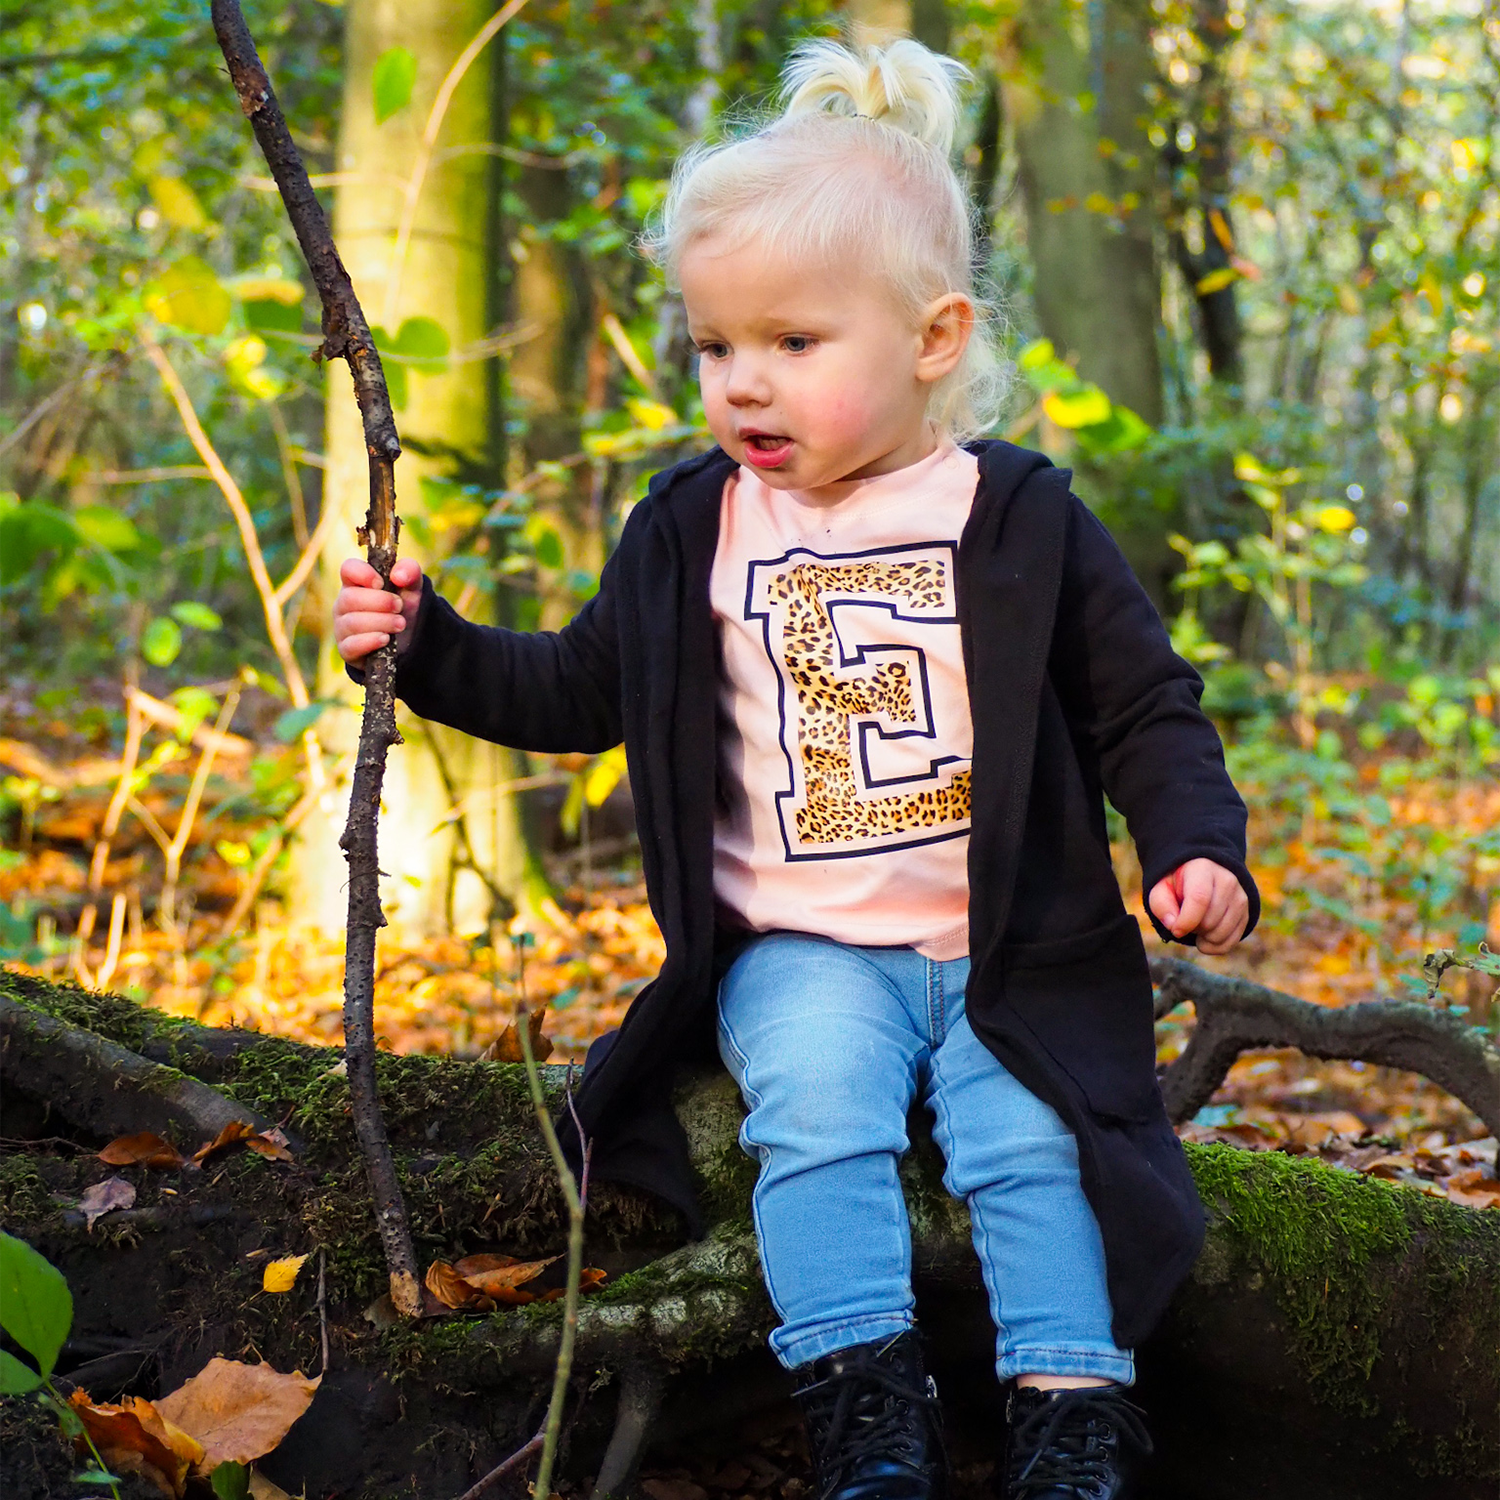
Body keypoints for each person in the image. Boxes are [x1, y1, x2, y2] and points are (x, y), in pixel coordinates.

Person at [335, 35, 1255, 1500]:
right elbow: (580, 686)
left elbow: (1145, 705)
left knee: (1032, 1144)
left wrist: (1196, 848)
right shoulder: (694, 527)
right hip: (802, 948)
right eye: (716, 348)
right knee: (815, 1119)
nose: (743, 385)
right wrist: (425, 644)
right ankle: (863, 1403)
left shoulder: (1017, 519)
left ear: (934, 338)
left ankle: (1071, 1411)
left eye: (794, 345)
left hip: (1011, 948)